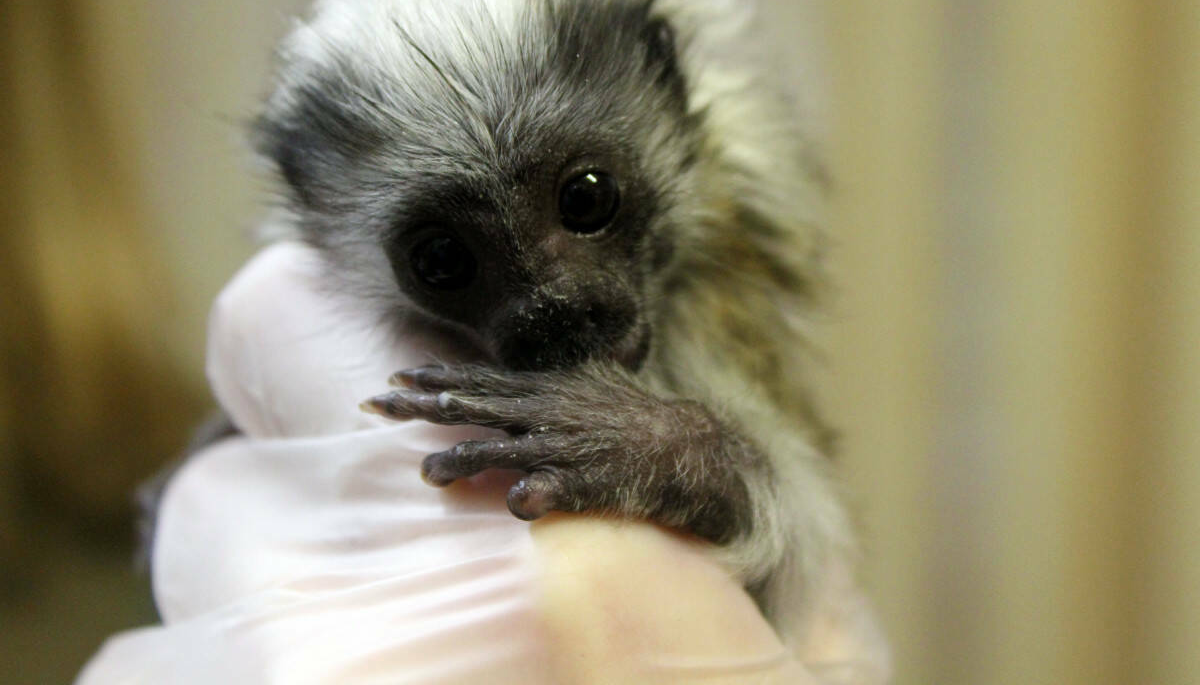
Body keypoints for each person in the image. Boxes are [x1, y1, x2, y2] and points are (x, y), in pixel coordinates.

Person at [77, 243, 890, 684]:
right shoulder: (179, 436)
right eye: (446, 262)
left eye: (586, 201)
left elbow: (800, 534)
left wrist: (684, 458)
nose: (553, 297)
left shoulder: (722, 248)